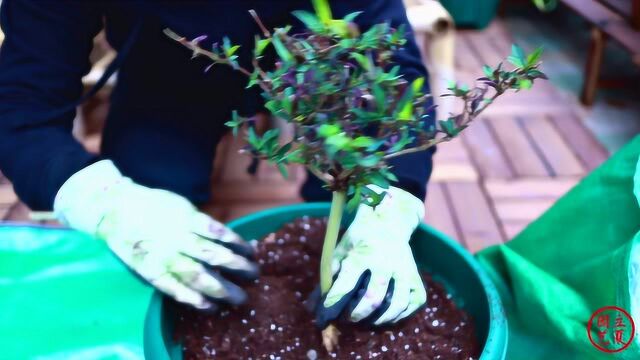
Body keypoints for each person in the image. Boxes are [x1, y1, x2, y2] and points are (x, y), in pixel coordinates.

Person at [0, 0, 434, 326]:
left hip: (311, 73)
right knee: (149, 222)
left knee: (342, 211)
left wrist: (390, 205)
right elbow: (22, 106)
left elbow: (397, 77)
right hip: (161, 76)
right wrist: (104, 202)